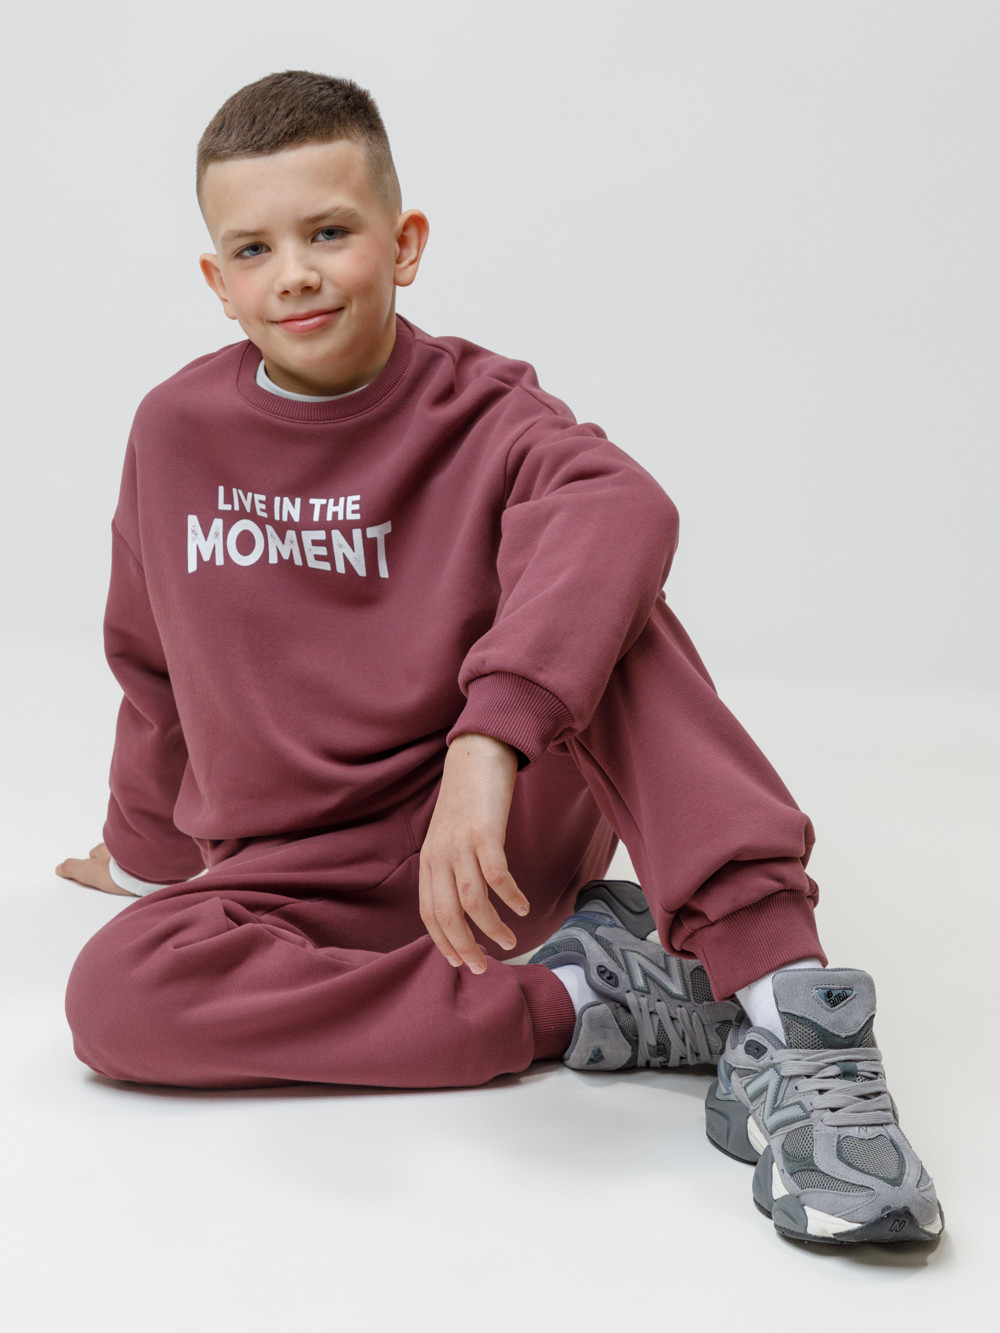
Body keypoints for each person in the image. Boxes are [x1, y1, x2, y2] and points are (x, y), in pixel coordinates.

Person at [57, 70, 942, 1247]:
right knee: (114, 999)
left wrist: (489, 737)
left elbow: (623, 503)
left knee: (602, 591)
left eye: (329, 232)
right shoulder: (174, 431)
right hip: (292, 876)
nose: (296, 274)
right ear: (218, 282)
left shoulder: (483, 412)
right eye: (255, 249)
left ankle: (789, 1006)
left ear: (404, 244)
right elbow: (149, 659)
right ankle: (582, 999)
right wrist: (144, 849)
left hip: (489, 844)